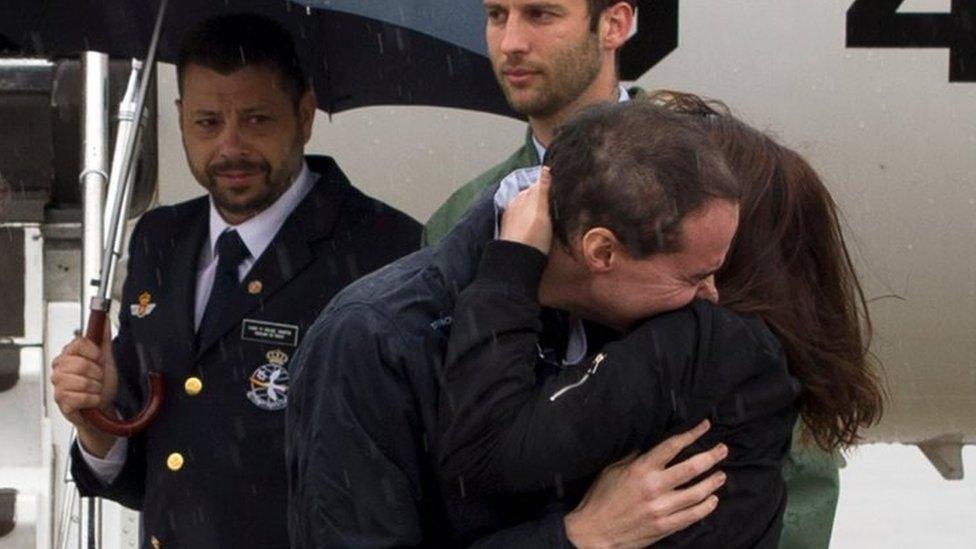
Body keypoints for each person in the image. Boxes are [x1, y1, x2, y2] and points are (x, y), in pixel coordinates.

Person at [425, 1, 845, 545]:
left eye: (541, 14)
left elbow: (788, 424)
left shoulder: (720, 180)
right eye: (497, 15)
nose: (510, 43)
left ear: (616, 23)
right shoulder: (465, 216)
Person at [286, 102, 738, 547]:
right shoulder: (372, 339)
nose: (711, 295)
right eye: (694, 276)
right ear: (600, 252)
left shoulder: (633, 317)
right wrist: (581, 536)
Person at [49, 13, 420, 548]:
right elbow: (157, 479)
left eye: (256, 120)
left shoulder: (383, 248)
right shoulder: (159, 239)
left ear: (305, 115)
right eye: (207, 122)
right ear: (179, 118)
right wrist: (96, 418)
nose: (230, 147)